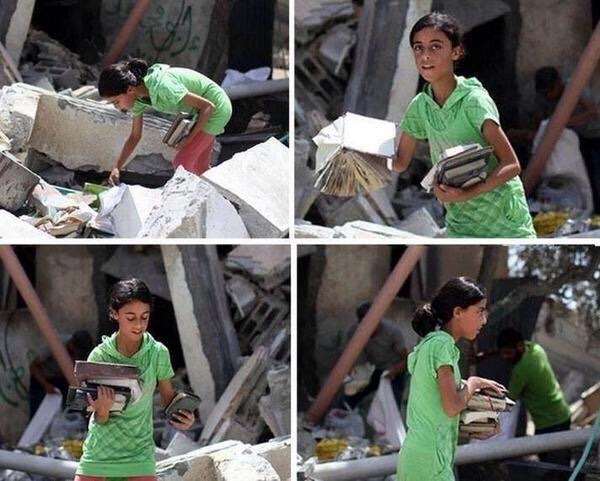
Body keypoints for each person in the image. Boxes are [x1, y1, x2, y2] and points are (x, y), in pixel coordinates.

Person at [391, 12, 535, 238]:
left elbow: (511, 164)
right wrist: (363, 159)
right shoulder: (420, 106)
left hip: (503, 219)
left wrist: (467, 194)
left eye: (435, 47)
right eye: (418, 48)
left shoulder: (474, 101)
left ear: (456, 52)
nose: (425, 56)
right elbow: (399, 162)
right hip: (461, 220)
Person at [75, 278, 194, 481]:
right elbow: (97, 417)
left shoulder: (158, 353)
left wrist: (183, 417)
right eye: (131, 318)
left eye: (144, 317)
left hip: (139, 453)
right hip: (100, 452)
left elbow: (168, 399)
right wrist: (102, 409)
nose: (139, 325)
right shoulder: (99, 357)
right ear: (114, 314)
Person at [397, 277, 506, 481]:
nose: (484, 320)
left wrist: (475, 428)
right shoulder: (441, 346)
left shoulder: (433, 345)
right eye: (479, 311)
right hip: (429, 462)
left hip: (422, 457)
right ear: (457, 312)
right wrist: (474, 383)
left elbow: (437, 413)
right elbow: (452, 406)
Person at [98, 59, 232, 181]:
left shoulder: (163, 86)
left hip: (216, 109)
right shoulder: (139, 99)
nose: (117, 107)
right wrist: (117, 167)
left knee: (181, 163)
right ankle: (225, 199)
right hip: (202, 113)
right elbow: (135, 136)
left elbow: (208, 106)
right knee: (200, 168)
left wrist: (188, 139)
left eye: (116, 102)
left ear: (129, 89)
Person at [497, 328, 571, 465]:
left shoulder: (521, 370)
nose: (504, 357)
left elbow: (510, 398)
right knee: (562, 465)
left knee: (553, 468)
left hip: (549, 423)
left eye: (508, 353)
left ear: (519, 346)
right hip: (562, 414)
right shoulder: (536, 349)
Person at [342, 302, 407, 407]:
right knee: (348, 396)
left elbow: (406, 360)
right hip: (371, 370)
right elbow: (350, 358)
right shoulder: (354, 332)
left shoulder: (392, 332)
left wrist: (394, 370)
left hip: (393, 371)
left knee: (391, 407)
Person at [29, 330, 94, 418]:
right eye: (75, 352)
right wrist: (46, 385)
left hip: (62, 378)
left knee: (76, 405)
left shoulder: (82, 353)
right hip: (43, 378)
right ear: (71, 344)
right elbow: (33, 367)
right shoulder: (56, 344)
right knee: (39, 412)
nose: (76, 355)